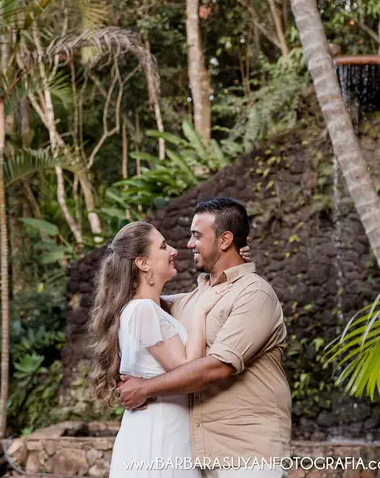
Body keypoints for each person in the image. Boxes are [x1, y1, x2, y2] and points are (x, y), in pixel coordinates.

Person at [116, 198, 292, 478]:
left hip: (247, 453)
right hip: (200, 454)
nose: (188, 245)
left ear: (225, 240)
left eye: (197, 236)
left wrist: (145, 388)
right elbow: (145, 305)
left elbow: (218, 366)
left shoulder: (254, 294)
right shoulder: (195, 299)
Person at [88, 221, 229, 478]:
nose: (174, 251)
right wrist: (200, 313)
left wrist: (232, 261)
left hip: (162, 429)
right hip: (161, 437)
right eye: (163, 246)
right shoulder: (143, 310)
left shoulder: (147, 308)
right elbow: (188, 371)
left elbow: (196, 296)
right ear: (143, 263)